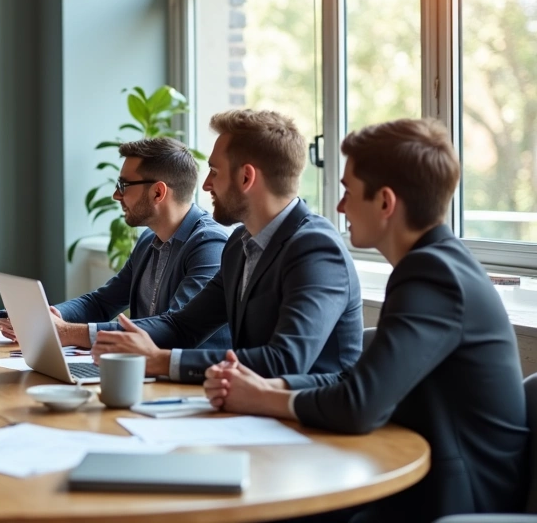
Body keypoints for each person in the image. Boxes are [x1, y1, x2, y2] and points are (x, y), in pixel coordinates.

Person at [203, 119, 528, 521]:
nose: (339, 207)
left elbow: (359, 405)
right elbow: (355, 381)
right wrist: (268, 384)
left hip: (454, 499)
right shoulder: (433, 265)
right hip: (423, 479)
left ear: (386, 203)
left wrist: (264, 397)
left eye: (348, 192)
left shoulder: (433, 275)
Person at [91, 110, 362, 383]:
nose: (207, 184)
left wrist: (160, 360)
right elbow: (183, 325)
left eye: (214, 171)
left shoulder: (316, 248)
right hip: (247, 406)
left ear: (246, 178)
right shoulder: (239, 245)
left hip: (311, 418)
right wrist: (117, 340)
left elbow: (285, 360)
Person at [0, 137, 229, 349]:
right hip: (146, 372)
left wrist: (66, 332)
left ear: (158, 193)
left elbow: (171, 327)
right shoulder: (149, 240)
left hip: (192, 384)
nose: (116, 196)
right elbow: (101, 303)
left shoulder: (209, 245)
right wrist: (51, 316)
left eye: (123, 186)